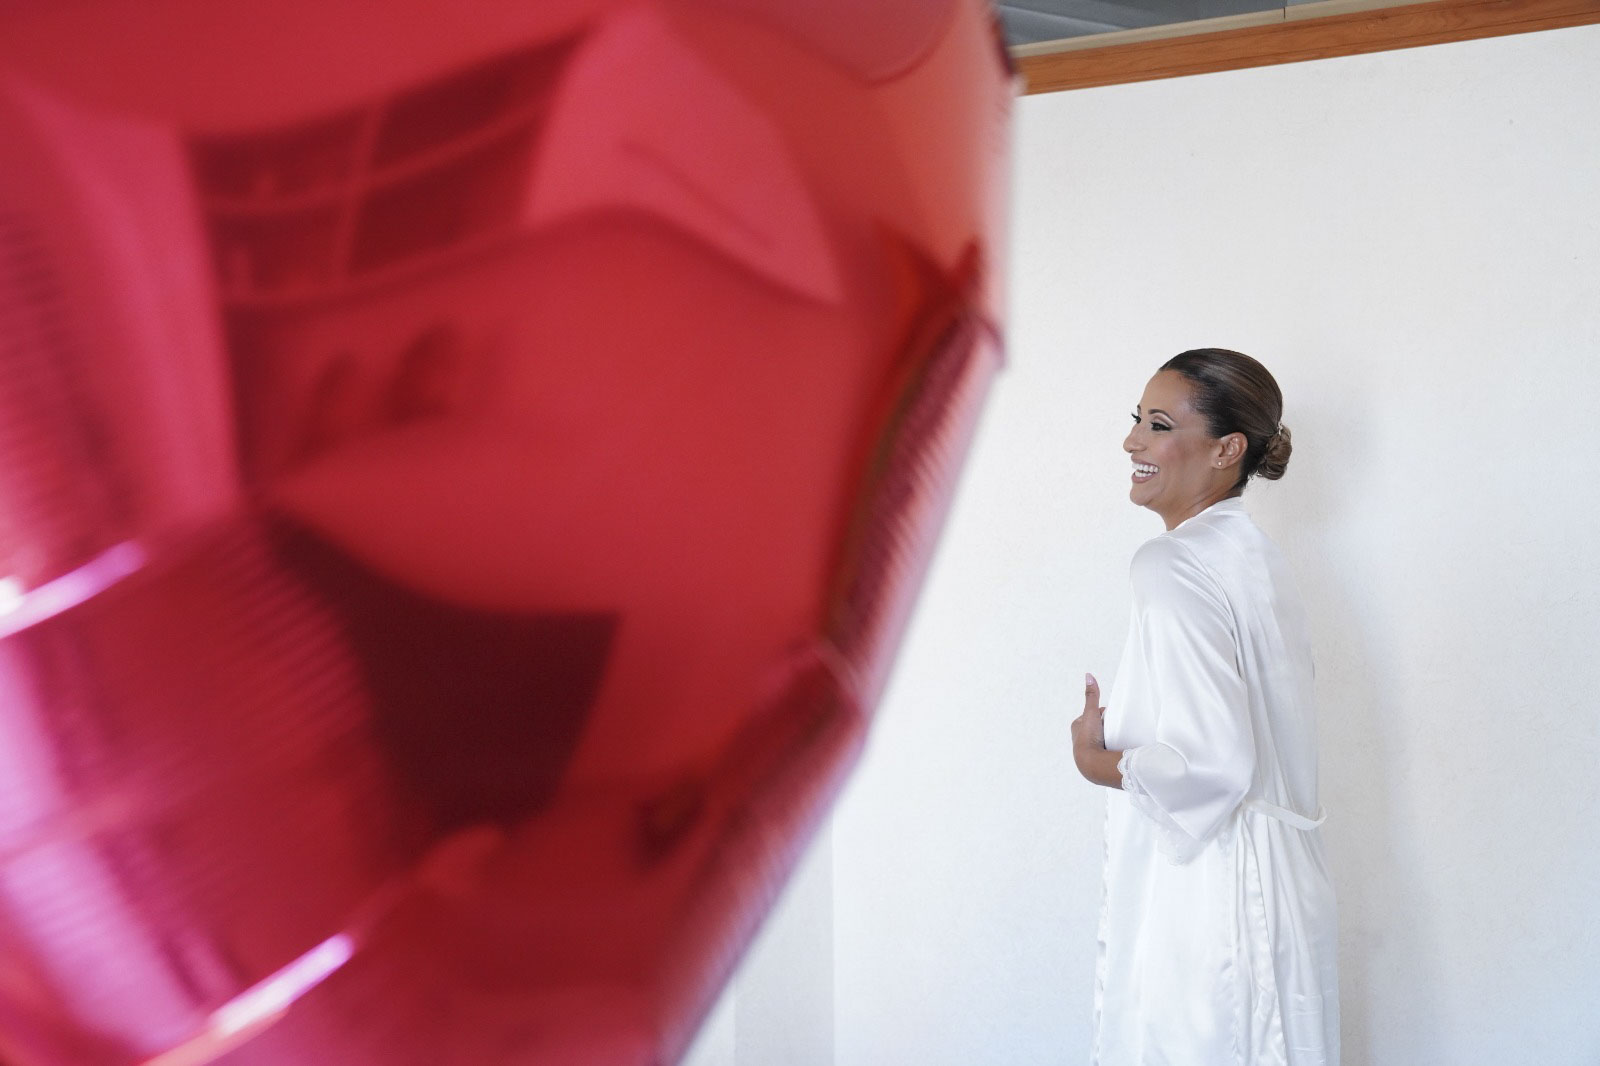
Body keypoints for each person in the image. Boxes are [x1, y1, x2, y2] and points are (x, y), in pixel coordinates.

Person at [1071, 348, 1339, 1064]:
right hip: (1289, 887)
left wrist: (1098, 760)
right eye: (1137, 420)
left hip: (1219, 899)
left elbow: (1211, 766)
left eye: (1159, 426)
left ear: (1227, 449)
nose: (1131, 441)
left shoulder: (1171, 564)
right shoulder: (1256, 556)